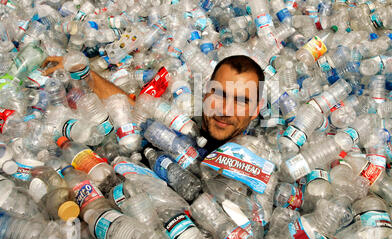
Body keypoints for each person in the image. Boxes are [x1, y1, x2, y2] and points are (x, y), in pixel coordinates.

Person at [41, 54, 266, 155]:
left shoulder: (254, 157)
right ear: (206, 91)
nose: (224, 110)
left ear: (257, 109)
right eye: (220, 94)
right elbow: (135, 111)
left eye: (242, 101)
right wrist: (85, 74)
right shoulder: (188, 118)